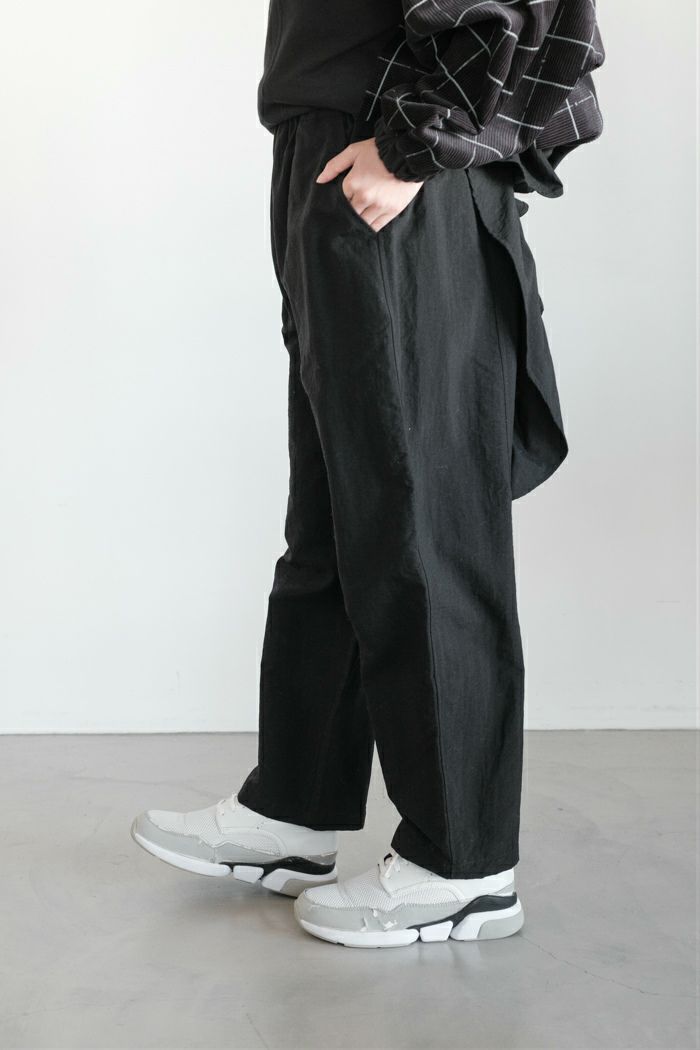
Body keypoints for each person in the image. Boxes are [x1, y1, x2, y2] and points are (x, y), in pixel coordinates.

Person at [132, 0, 604, 949]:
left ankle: (464, 864)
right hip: (338, 147)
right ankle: (295, 809)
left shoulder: (405, 148)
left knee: (420, 524)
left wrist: (419, 143)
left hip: (391, 157)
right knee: (334, 516)